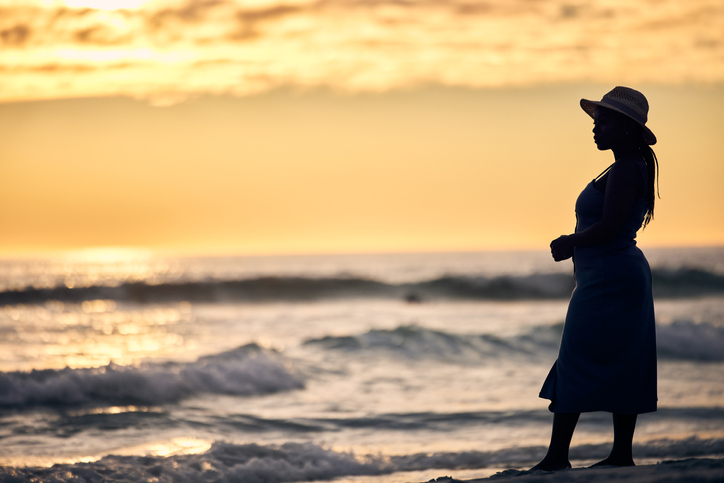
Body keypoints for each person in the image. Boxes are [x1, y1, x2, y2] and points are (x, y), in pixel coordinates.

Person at [532, 86, 660, 471]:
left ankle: (558, 457)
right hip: (614, 275)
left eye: (603, 121)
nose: (595, 127)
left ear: (625, 126)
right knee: (624, 358)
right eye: (596, 120)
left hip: (609, 277)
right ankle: (620, 454)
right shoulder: (629, 165)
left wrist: (570, 241)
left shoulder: (625, 168)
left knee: (575, 357)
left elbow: (608, 227)